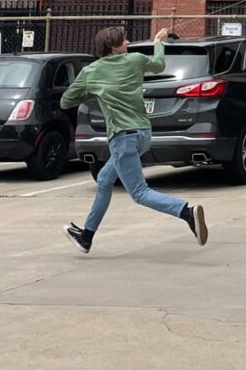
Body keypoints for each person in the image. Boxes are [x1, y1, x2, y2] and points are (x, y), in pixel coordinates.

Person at [61, 25, 207, 253]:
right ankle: (86, 236)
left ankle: (185, 212)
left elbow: (66, 101)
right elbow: (158, 64)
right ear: (112, 46)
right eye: (124, 40)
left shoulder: (92, 71)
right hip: (142, 135)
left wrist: (96, 91)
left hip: (123, 138)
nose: (128, 42)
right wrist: (159, 42)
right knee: (104, 180)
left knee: (139, 193)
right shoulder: (137, 60)